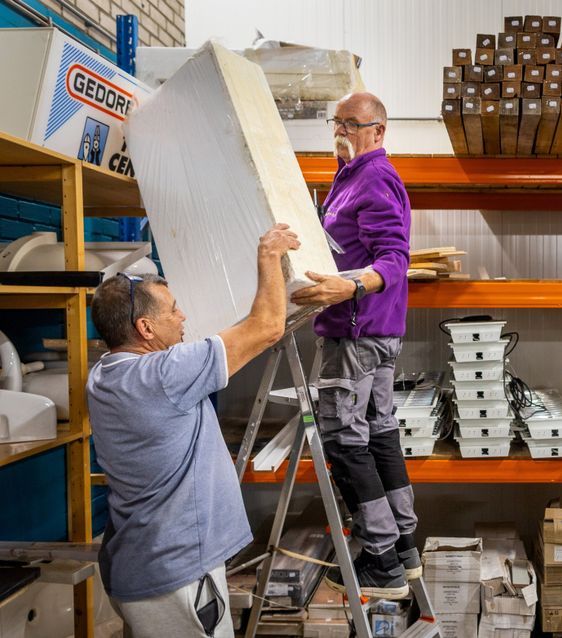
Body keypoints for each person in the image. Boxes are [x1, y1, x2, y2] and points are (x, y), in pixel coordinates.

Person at [87, 224, 300, 637]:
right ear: (146, 328)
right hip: (177, 573)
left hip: (142, 564)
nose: (184, 317)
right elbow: (268, 327)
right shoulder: (164, 375)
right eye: (174, 310)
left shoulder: (103, 375)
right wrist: (269, 257)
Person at [291, 92, 416, 599]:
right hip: (365, 331)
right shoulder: (348, 176)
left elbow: (394, 258)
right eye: (336, 122)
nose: (341, 131)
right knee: (379, 432)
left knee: (344, 440)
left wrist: (351, 286)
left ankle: (382, 561)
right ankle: (403, 549)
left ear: (379, 131)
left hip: (358, 333)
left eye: (353, 124)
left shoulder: (375, 177)